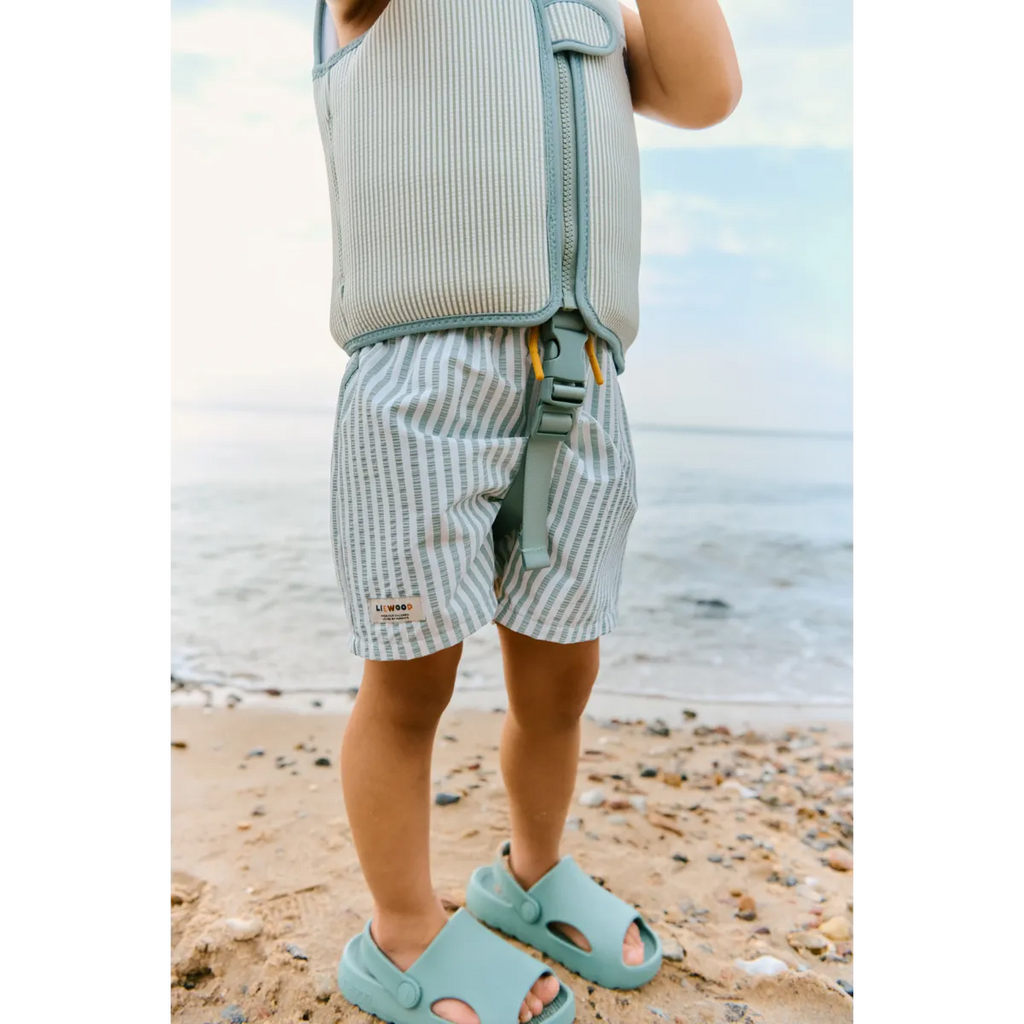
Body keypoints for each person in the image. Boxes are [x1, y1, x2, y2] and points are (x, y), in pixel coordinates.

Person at [311, 2, 741, 1020]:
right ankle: (402, 928)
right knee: (409, 679)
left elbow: (707, 93)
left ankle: (530, 873)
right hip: (427, 376)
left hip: (582, 379)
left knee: (561, 674)